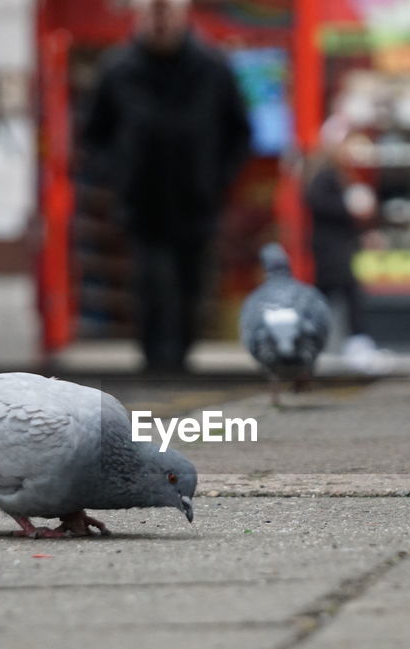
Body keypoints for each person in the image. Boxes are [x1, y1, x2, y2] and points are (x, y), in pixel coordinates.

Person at [81, 0, 252, 373]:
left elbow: (239, 133)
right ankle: (155, 363)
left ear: (183, 15)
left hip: (196, 203)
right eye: (153, 13)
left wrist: (217, 180)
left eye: (168, 13)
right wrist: (118, 174)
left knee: (190, 287)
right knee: (152, 286)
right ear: (140, 16)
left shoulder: (212, 68)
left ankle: (179, 360)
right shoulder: (118, 69)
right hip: (142, 203)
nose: (160, 22)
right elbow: (94, 136)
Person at [304, 115, 391, 374]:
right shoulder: (323, 171)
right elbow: (317, 203)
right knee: (340, 293)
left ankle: (315, 341)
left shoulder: (337, 172)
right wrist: (349, 207)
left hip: (338, 245)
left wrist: (362, 231)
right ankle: (353, 343)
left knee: (331, 295)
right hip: (330, 247)